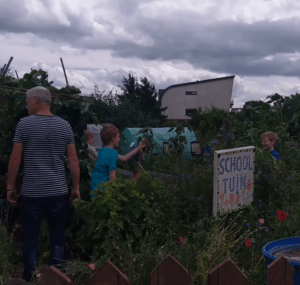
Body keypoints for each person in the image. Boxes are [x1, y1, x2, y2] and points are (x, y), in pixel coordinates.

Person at [6, 86, 81, 282]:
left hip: (32, 192)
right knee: (57, 233)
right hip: (58, 191)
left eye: (27, 101)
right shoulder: (64, 126)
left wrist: (10, 187)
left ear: (37, 101)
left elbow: (15, 158)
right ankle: (57, 277)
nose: (26, 105)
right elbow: (73, 160)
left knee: (31, 236)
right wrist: (75, 187)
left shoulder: (24, 124)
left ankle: (30, 278)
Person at [91, 124, 147, 198]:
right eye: (118, 137)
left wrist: (139, 147)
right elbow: (112, 176)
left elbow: (124, 158)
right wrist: (117, 193)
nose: (119, 139)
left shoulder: (101, 151)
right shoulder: (113, 154)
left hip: (95, 188)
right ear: (113, 139)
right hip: (104, 191)